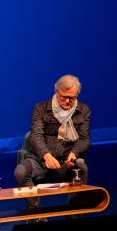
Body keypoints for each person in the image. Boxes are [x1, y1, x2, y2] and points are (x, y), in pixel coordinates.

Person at [14, 74, 91, 211]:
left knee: (82, 170)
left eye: (72, 98)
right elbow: (36, 135)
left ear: (77, 95)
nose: (67, 101)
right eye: (64, 97)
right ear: (57, 92)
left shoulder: (83, 111)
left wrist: (74, 153)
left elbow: (85, 139)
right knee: (20, 172)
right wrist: (46, 155)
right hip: (41, 159)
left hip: (67, 161)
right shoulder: (41, 108)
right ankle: (36, 212)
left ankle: (74, 214)